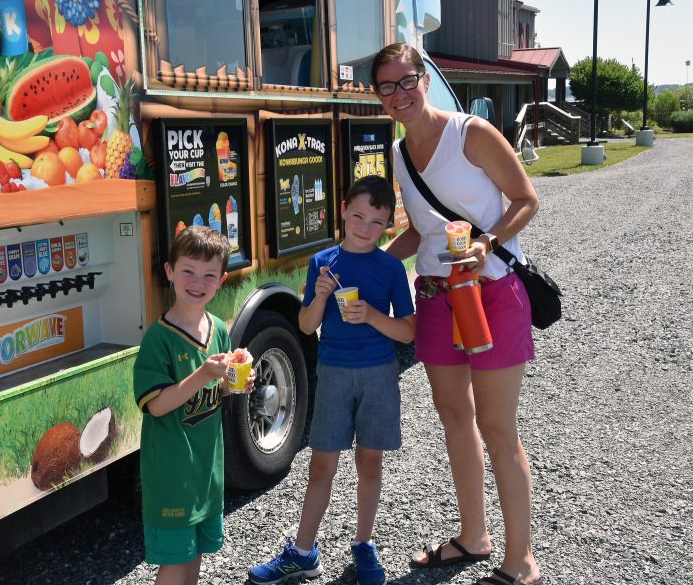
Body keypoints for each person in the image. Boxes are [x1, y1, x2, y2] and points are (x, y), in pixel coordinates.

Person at [373, 43, 542, 585]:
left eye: (407, 81)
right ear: (376, 95)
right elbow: (422, 230)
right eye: (386, 86)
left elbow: (526, 199)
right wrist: (365, 261)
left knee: (497, 427)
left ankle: (522, 562)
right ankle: (474, 536)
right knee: (453, 417)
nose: (399, 94)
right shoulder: (398, 155)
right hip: (436, 297)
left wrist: (487, 243)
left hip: (491, 291)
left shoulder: (469, 133)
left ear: (425, 80)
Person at [248, 175, 415, 585]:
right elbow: (306, 325)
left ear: (389, 224)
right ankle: (304, 552)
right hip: (335, 374)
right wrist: (320, 296)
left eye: (377, 222)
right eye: (357, 215)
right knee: (322, 465)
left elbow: (409, 331)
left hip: (378, 375)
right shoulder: (323, 262)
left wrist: (372, 317)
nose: (365, 227)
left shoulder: (391, 268)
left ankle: (364, 545)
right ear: (342, 210)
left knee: (369, 461)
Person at [133, 226, 251, 585]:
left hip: (205, 472)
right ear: (170, 271)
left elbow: (217, 393)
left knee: (196, 554)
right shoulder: (158, 340)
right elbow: (156, 406)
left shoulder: (217, 328)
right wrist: (202, 374)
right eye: (188, 271)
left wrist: (237, 380)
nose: (197, 282)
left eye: (209, 275)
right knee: (174, 562)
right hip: (171, 475)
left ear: (221, 280)